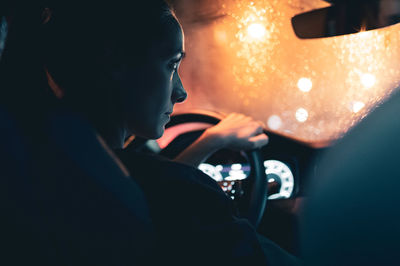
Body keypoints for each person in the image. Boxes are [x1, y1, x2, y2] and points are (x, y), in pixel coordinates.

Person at [3, 1, 301, 265]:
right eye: (172, 64)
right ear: (115, 63)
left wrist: (212, 140)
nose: (181, 93)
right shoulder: (189, 199)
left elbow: (143, 186)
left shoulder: (41, 165)